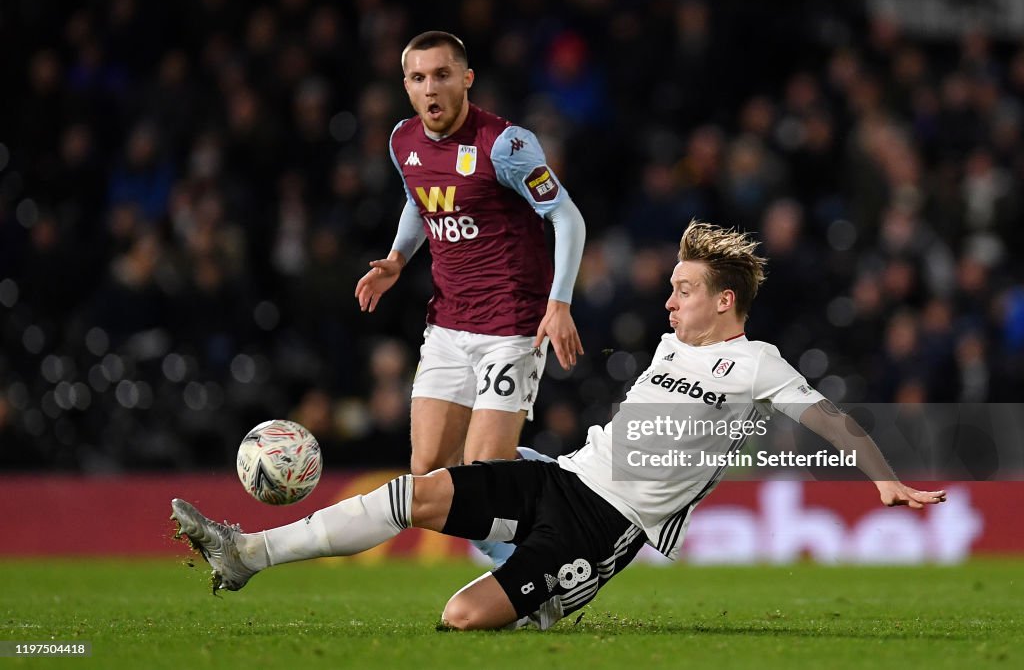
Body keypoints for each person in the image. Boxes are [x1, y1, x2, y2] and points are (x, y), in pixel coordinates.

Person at [173, 220, 946, 631]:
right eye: (672, 288)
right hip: (566, 474)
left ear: (725, 302)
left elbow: (834, 419)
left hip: (603, 528)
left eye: (683, 289)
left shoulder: (759, 365)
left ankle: (545, 602)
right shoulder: (675, 340)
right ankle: (249, 552)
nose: (668, 302)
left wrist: (882, 477)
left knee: (461, 616)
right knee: (416, 492)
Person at [353, 32, 585, 563]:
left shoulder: (506, 145)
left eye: (441, 75)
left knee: (483, 477)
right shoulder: (402, 141)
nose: (430, 88)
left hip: (513, 325)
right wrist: (397, 258)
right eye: (418, 78)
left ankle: (542, 552)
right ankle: (540, 529)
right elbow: (421, 199)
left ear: (466, 79)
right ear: (406, 86)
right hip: (448, 326)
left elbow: (566, 217)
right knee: (429, 478)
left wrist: (559, 302)